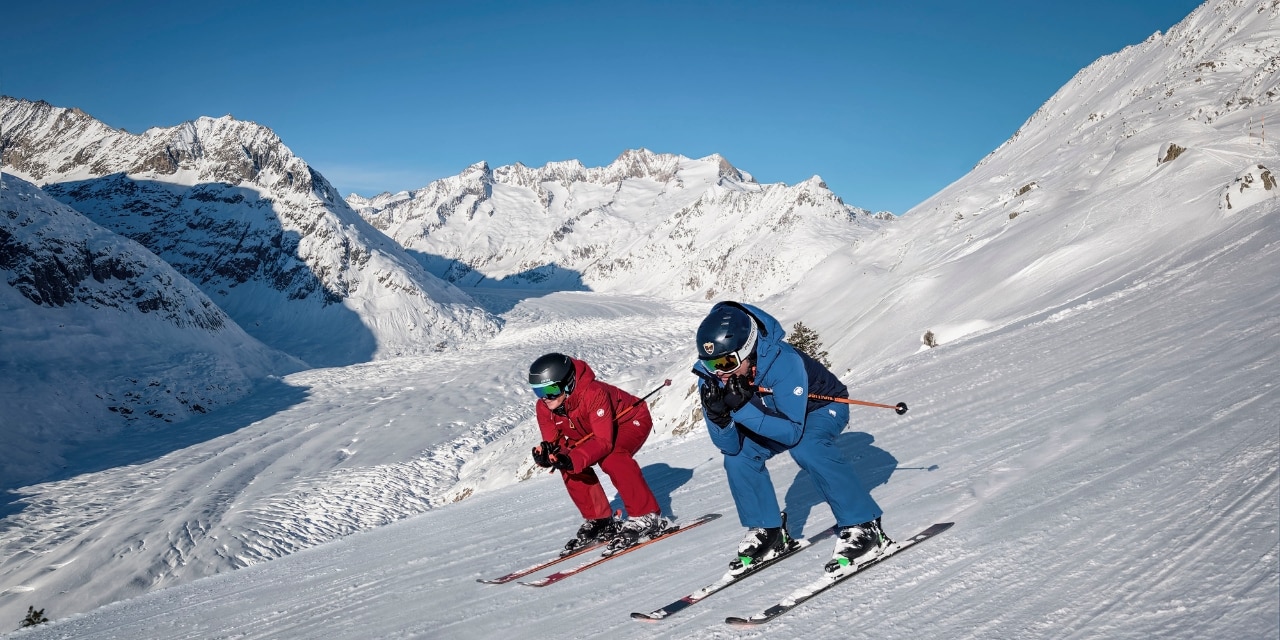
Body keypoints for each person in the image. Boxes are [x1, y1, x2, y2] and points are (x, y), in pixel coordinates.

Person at [693, 301, 896, 573]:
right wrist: (720, 419)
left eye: (727, 362)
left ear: (747, 349)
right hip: (768, 416)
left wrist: (740, 409)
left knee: (808, 447)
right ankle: (769, 530)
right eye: (710, 363)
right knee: (739, 459)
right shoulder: (710, 378)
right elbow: (728, 446)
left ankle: (863, 525)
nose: (719, 371)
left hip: (821, 409)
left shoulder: (782, 360)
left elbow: (791, 432)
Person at [528, 352, 670, 554]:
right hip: (589, 433)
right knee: (564, 462)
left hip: (627, 422)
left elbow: (603, 442)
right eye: (538, 391)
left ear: (568, 383)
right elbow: (556, 444)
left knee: (612, 457)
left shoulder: (593, 393)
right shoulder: (545, 407)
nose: (545, 398)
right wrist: (548, 457)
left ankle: (647, 516)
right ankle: (600, 519)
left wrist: (573, 457)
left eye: (551, 389)